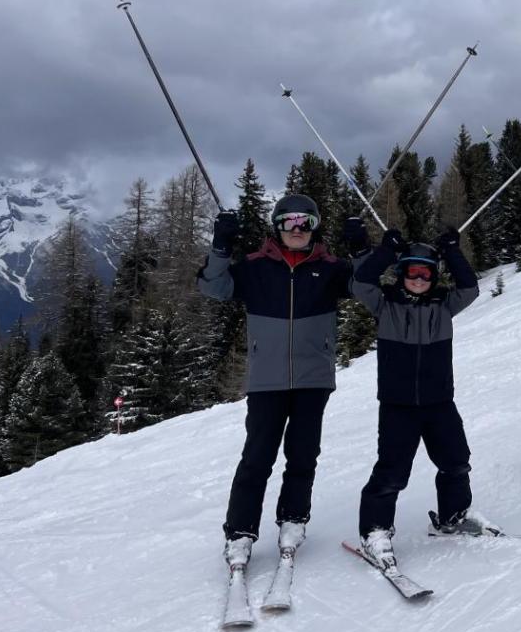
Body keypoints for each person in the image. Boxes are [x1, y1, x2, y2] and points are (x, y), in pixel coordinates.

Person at [197, 194, 353, 572]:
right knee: (257, 457)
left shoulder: (331, 269)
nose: (297, 229)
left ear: (315, 226)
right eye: (289, 222)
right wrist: (221, 247)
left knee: (303, 454)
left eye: (305, 222)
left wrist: (362, 249)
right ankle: (240, 532)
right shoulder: (254, 268)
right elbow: (213, 287)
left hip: (313, 379)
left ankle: (293, 519)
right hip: (266, 380)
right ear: (277, 226)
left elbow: (368, 286)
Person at [344, 220, 481, 569]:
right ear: (401, 272)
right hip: (398, 405)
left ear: (434, 276)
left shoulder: (444, 305)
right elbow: (361, 282)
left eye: (426, 273)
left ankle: (453, 516)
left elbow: (470, 287)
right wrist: (386, 252)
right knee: (392, 472)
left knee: (456, 461)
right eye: (412, 272)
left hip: (439, 402)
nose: (418, 279)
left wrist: (452, 252)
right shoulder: (385, 305)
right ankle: (375, 532)